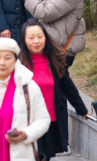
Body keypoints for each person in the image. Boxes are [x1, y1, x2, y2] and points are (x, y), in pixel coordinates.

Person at [18, 19, 89, 159]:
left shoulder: (53, 60)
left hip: (49, 122)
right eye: (31, 38)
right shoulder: (18, 63)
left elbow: (68, 87)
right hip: (26, 123)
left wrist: (81, 108)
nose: (36, 41)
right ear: (24, 40)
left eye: (40, 36)